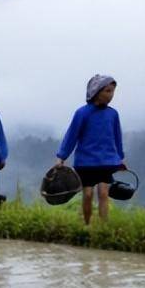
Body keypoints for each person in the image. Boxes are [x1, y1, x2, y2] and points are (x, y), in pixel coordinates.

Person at [55, 74, 124, 225]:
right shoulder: (82, 113)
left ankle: (103, 227)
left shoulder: (113, 114)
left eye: (112, 91)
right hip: (86, 162)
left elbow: (117, 137)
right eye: (107, 91)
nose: (110, 95)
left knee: (104, 193)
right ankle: (87, 225)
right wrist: (61, 157)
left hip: (106, 161)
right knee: (87, 194)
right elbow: (71, 136)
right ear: (96, 92)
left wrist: (120, 158)